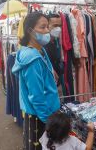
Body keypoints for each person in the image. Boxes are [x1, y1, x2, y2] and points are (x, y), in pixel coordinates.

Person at [12, 12, 60, 150]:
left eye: (47, 27)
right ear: (30, 31)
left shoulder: (39, 50)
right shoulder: (33, 59)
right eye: (42, 27)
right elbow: (37, 96)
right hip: (40, 116)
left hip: (40, 113)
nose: (47, 31)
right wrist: (48, 121)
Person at [44, 14, 63, 87]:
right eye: (55, 25)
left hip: (57, 82)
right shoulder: (43, 43)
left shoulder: (56, 40)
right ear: (47, 26)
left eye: (60, 26)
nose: (58, 28)